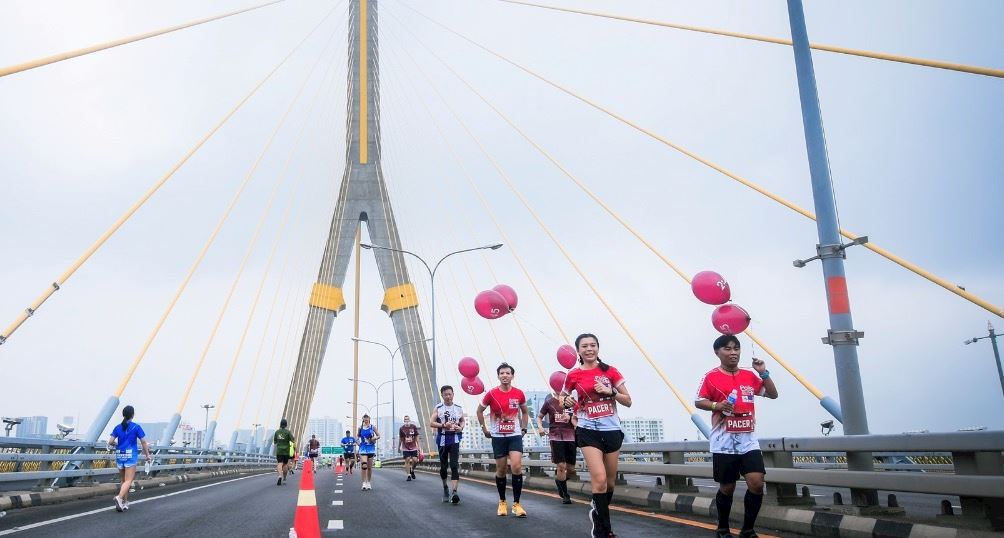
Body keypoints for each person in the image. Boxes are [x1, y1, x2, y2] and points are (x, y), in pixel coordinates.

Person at [696, 334, 778, 538]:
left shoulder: (750, 376)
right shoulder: (711, 376)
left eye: (736, 349)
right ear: (717, 353)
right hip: (723, 442)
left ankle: (748, 529)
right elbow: (699, 401)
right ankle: (723, 527)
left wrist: (763, 373)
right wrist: (718, 405)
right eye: (727, 349)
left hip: (748, 441)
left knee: (757, 483)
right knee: (727, 487)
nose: (733, 353)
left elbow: (773, 394)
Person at [560, 333, 632, 538]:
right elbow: (563, 398)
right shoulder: (573, 375)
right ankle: (605, 530)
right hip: (587, 429)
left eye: (593, 345)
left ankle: (597, 514)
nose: (589, 349)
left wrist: (611, 393)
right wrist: (566, 402)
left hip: (611, 431)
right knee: (599, 479)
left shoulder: (610, 371)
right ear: (578, 351)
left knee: (609, 483)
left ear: (598, 348)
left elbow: (628, 400)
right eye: (585, 346)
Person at [477, 362, 530, 518]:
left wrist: (524, 428)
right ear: (498, 376)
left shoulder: (519, 393)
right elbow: (479, 411)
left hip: (514, 435)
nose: (505, 376)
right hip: (498, 437)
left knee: (516, 466)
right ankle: (502, 502)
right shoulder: (491, 394)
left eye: (508, 373)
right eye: (502, 373)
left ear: (512, 376)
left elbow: (525, 412)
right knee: (501, 470)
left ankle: (517, 504)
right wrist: (484, 428)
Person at [108, 405, 151, 512]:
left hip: (120, 455)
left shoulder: (117, 427)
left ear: (123, 415)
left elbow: (110, 442)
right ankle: (119, 497)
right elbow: (144, 442)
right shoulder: (136, 427)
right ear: (132, 415)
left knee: (123, 480)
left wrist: (116, 444)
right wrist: (147, 455)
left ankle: (125, 503)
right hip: (130, 456)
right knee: (129, 480)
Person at [537, 392, 577, 504]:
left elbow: (579, 416)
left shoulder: (572, 401)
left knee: (571, 469)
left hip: (571, 436)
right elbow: (539, 417)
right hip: (555, 436)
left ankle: (560, 481)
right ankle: (565, 494)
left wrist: (572, 418)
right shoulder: (549, 402)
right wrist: (540, 427)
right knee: (561, 466)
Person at [429, 385, 464, 504]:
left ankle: (455, 492)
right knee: (444, 467)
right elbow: (431, 423)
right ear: (442, 396)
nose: (448, 396)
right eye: (445, 395)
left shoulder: (458, 408)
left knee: (454, 465)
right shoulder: (438, 408)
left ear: (453, 394)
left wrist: (461, 427)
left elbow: (462, 420)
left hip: (454, 439)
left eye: (450, 394)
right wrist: (444, 425)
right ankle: (445, 488)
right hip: (442, 440)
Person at [356, 415, 380, 490]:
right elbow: (357, 437)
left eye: (367, 419)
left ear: (369, 419)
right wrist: (358, 443)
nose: (366, 420)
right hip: (363, 448)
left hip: (371, 448)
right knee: (364, 465)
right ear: (363, 419)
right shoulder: (360, 428)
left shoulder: (373, 427)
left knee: (369, 467)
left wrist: (374, 438)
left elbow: (378, 435)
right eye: (364, 419)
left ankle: (368, 482)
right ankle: (363, 482)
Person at [398, 415, 421, 481]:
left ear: (409, 420)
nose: (406, 421)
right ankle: (408, 475)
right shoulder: (401, 428)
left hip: (413, 447)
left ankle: (412, 470)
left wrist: (419, 446)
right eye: (405, 420)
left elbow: (416, 437)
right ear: (404, 421)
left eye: (407, 419)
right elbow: (401, 438)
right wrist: (399, 447)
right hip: (405, 447)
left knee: (415, 460)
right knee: (407, 459)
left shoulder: (413, 427)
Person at [273, 419, 294, 485]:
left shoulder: (277, 432)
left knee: (279, 463)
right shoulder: (288, 432)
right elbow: (292, 440)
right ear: (286, 424)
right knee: (285, 464)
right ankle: (284, 478)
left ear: (280, 424)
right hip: (286, 452)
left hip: (279, 451)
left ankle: (279, 476)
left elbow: (275, 442)